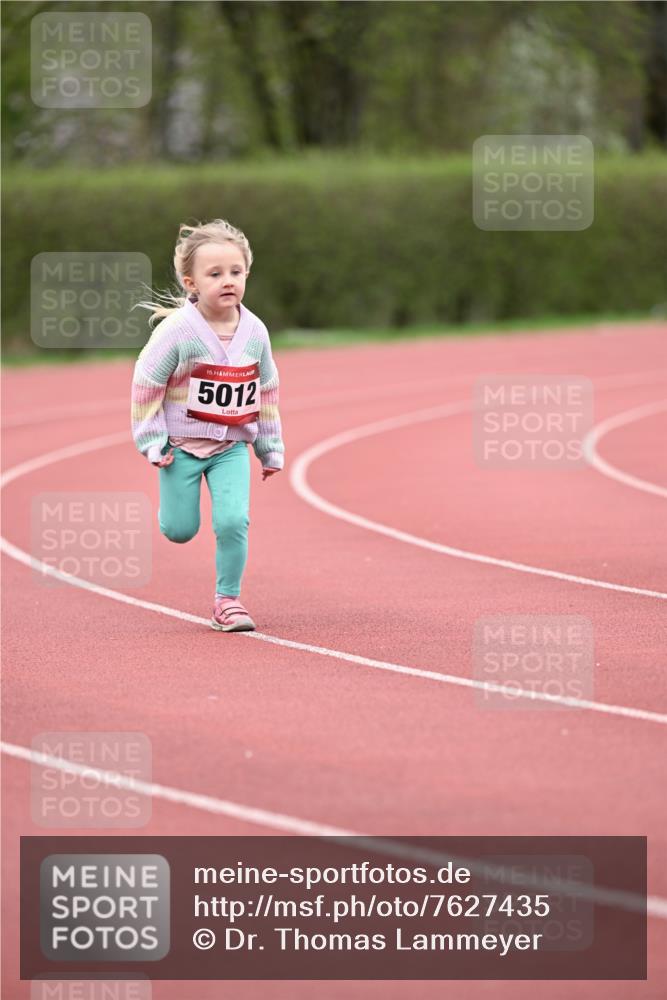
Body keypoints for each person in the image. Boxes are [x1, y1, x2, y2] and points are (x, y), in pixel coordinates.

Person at [131, 219, 284, 632]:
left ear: (247, 274)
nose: (227, 281)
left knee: (233, 521)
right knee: (180, 531)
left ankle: (227, 601)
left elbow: (265, 389)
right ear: (191, 282)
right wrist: (151, 440)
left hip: (230, 448)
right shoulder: (177, 332)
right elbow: (147, 383)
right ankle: (171, 512)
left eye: (235, 272)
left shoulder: (255, 333)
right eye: (214, 274)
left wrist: (269, 448)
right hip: (179, 448)